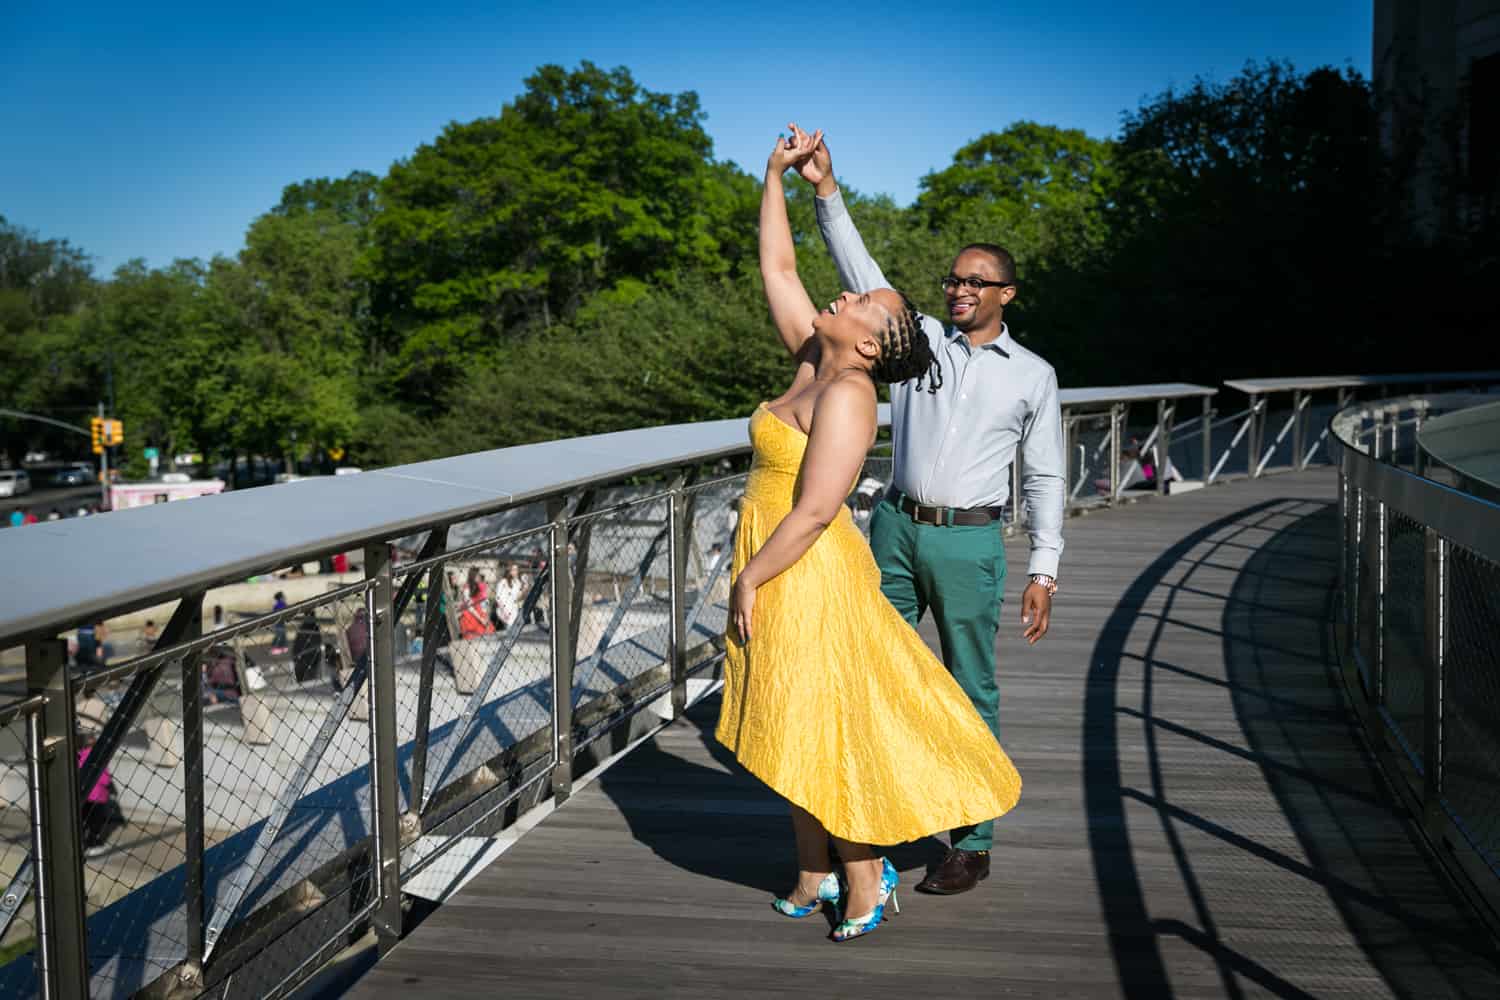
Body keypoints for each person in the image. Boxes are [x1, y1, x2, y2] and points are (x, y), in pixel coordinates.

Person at [716, 128, 1020, 944]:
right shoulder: (816, 359)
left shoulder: (849, 394)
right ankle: (812, 871)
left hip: (804, 566)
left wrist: (747, 580)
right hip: (774, 554)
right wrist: (773, 175)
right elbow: (778, 268)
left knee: (823, 718)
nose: (847, 295)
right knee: (785, 712)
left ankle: (864, 877)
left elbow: (816, 510)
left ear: (871, 341)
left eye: (863, 304)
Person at [796, 123, 1064, 895]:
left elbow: (1045, 478)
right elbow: (862, 268)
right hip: (895, 528)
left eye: (977, 281)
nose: (960, 288)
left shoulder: (1033, 376)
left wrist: (1045, 570)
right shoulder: (918, 347)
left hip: (970, 543)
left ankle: (971, 840)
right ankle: (872, 815)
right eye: (953, 279)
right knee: (870, 672)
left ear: (1006, 294)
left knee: (968, 685)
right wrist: (824, 189)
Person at [77, 730, 123, 857]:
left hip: (83, 796)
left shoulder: (78, 755)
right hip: (97, 797)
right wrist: (109, 785)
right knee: (96, 823)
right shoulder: (96, 755)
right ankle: (94, 845)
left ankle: (82, 844)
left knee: (83, 822)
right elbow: (103, 776)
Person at [457, 567, 493, 639]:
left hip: (479, 613)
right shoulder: (467, 588)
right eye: (477, 575)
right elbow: (470, 606)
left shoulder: (478, 586)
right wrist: (481, 619)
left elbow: (483, 602)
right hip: (470, 616)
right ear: (473, 576)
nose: (479, 577)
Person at [292, 610, 324, 683]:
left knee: (306, 680)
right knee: (308, 680)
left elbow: (297, 644)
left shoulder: (305, 628)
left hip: (304, 660)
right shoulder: (312, 628)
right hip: (307, 660)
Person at [492, 562, 526, 631]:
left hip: (515, 610)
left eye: (516, 570)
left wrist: (525, 588)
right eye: (513, 570)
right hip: (505, 610)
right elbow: (498, 598)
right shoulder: (503, 582)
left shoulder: (517, 582)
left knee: (516, 631)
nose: (515, 572)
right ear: (509, 571)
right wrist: (504, 612)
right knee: (509, 630)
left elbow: (517, 598)